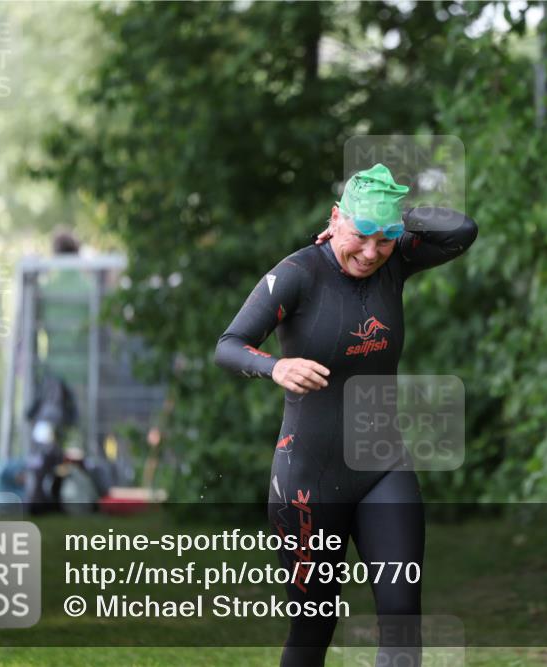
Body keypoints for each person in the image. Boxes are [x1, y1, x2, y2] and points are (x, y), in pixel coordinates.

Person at [215, 163, 478, 667]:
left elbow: (463, 231)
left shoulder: (395, 260)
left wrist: (396, 220)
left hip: (384, 467)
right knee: (315, 624)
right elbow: (229, 345)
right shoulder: (296, 275)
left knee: (402, 616)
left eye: (384, 240)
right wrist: (275, 366)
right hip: (308, 478)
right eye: (360, 235)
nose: (370, 252)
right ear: (335, 218)